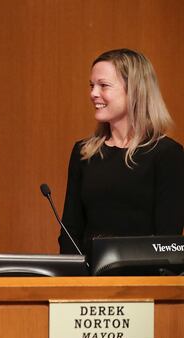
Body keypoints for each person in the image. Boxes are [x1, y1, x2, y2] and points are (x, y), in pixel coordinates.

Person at [60, 48, 184, 256]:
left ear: (135, 90)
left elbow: (167, 240)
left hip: (144, 281)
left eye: (104, 86)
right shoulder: (84, 153)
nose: (93, 94)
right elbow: (70, 230)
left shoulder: (168, 155)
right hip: (89, 281)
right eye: (92, 85)